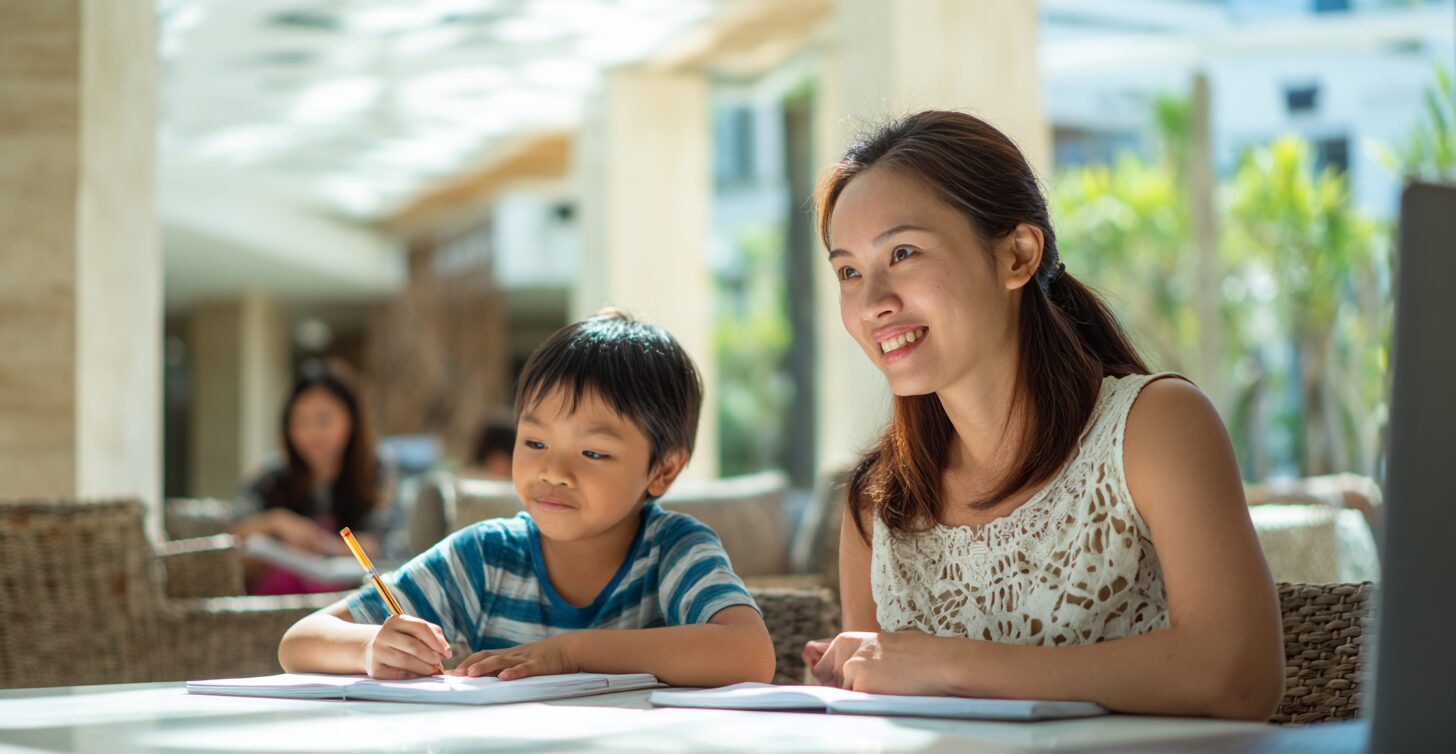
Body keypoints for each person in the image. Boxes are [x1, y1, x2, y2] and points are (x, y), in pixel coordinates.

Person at [804, 111, 1284, 720]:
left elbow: (1240, 676)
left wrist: (949, 664)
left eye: (903, 253)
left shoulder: (1156, 428)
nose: (873, 303)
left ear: (1018, 255)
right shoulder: (882, 503)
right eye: (849, 271)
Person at [278, 310, 777, 686]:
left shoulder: (673, 550)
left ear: (663, 468)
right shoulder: (484, 558)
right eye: (534, 442)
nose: (553, 472)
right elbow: (299, 642)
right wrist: (371, 647)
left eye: (593, 452)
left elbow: (749, 655)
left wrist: (569, 653)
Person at [230, 362, 399, 595]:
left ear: (351, 420)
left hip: (352, 599)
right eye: (300, 421)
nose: (311, 433)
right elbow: (231, 533)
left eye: (324, 420)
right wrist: (279, 523)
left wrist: (323, 546)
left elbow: (383, 540)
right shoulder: (271, 476)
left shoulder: (376, 468)